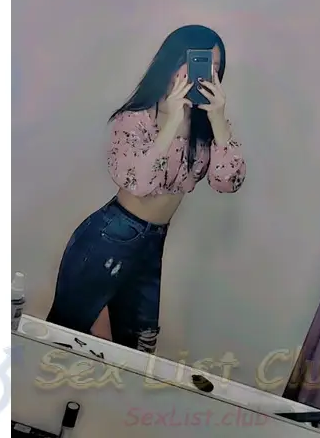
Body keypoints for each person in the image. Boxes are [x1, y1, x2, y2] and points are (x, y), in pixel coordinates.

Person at [46, 24, 246, 353]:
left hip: (152, 244)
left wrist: (219, 121)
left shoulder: (208, 127)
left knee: (138, 348)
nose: (205, 74)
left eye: (215, 67)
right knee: (64, 336)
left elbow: (228, 182)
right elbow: (137, 182)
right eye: (197, 62)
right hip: (110, 237)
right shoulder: (135, 119)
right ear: (172, 63)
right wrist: (170, 123)